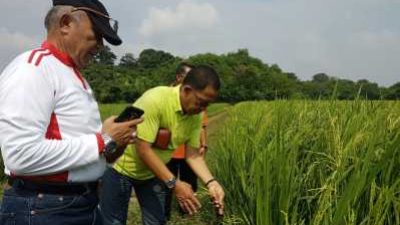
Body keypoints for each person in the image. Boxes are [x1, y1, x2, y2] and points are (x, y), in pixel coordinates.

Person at [0, 0, 142, 224]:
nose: (101, 45)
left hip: (81, 202)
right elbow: (20, 155)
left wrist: (114, 144)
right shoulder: (33, 69)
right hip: (45, 208)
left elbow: (84, 151)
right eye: (96, 33)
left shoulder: (74, 75)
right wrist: (103, 140)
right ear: (66, 23)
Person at [100, 65, 225, 225]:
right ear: (186, 90)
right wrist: (175, 184)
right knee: (114, 222)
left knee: (157, 221)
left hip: (154, 174)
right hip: (121, 170)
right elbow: (143, 150)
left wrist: (212, 183)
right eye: (201, 102)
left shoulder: (196, 114)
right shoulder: (155, 100)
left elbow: (192, 154)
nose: (203, 109)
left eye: (207, 105)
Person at [164, 62, 209, 219]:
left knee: (190, 182)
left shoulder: (196, 100)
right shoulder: (164, 98)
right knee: (167, 183)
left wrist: (204, 144)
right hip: (167, 151)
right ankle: (164, 215)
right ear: (179, 77)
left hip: (188, 151)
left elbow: (201, 125)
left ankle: (188, 215)